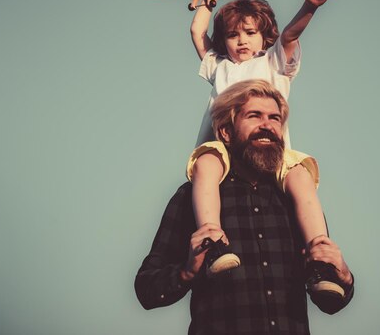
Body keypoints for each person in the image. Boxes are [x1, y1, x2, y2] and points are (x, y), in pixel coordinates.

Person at [135, 80, 354, 335]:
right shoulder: (192, 198)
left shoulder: (297, 201)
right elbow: (146, 290)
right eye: (254, 116)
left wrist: (345, 276)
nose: (267, 125)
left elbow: (330, 302)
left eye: (274, 118)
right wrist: (187, 271)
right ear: (226, 132)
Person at [187, 0, 339, 294]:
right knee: (204, 166)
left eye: (250, 32)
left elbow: (291, 34)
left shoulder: (272, 63)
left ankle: (320, 255)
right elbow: (196, 33)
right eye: (232, 34)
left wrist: (310, 7)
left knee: (299, 176)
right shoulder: (220, 66)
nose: (241, 40)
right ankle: (212, 238)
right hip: (225, 149)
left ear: (263, 36)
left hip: (268, 150)